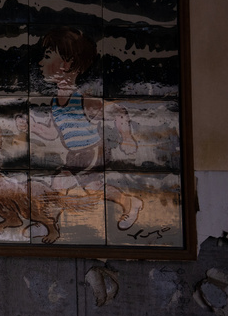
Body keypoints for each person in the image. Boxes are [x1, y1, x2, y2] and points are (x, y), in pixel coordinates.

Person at [29, 27, 143, 231]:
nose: (40, 63)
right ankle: (128, 202)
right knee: (82, 188)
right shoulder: (56, 101)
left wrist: (127, 138)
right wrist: (33, 126)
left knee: (67, 185)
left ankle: (50, 222)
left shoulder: (82, 100)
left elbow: (118, 111)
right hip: (75, 155)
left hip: (92, 152)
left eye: (47, 56)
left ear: (66, 64)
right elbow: (54, 132)